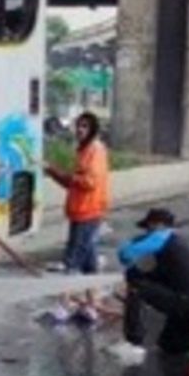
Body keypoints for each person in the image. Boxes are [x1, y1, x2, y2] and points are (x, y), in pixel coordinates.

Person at [104, 208, 189, 364]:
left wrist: (134, 242)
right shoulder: (178, 243)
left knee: (136, 288)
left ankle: (133, 343)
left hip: (185, 305)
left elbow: (126, 254)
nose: (147, 232)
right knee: (168, 346)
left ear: (158, 225)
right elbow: (160, 276)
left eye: (148, 227)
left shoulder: (161, 238)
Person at [43, 111, 110, 323]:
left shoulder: (95, 150)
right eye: (78, 126)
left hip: (88, 212)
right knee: (89, 262)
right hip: (82, 211)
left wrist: (63, 175)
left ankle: (64, 305)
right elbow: (74, 183)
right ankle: (91, 306)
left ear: (92, 130)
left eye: (85, 127)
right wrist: (52, 172)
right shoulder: (83, 151)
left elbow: (88, 182)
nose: (80, 130)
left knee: (72, 259)